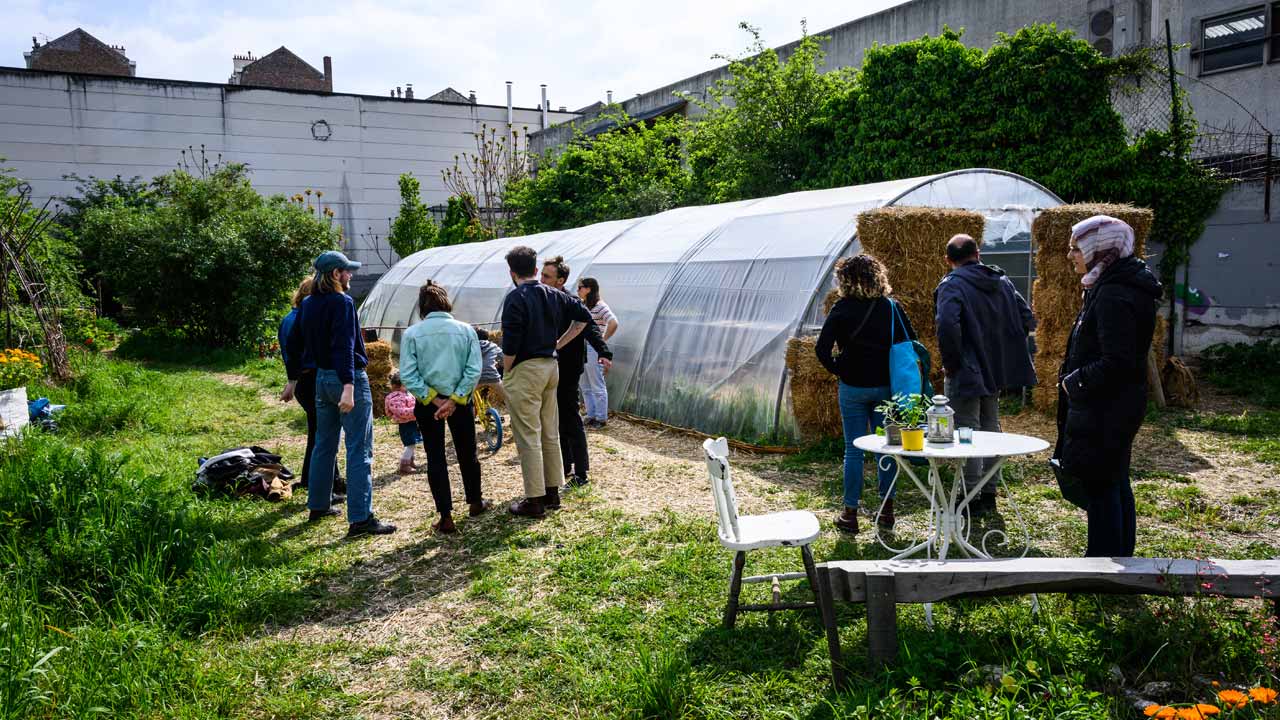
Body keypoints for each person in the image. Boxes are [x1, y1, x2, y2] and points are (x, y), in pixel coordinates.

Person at [1057, 216, 1160, 557]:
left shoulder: (1115, 292)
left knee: (1101, 484)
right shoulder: (1109, 283)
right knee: (1113, 480)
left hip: (1106, 407)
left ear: (1098, 249)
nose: (1070, 255)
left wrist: (1074, 382)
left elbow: (1118, 361)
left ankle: (1101, 569)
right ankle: (1120, 560)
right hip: (1113, 404)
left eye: (1076, 248)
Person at [285, 250, 395, 537]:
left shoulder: (308, 304)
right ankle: (360, 518)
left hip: (321, 379)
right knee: (359, 449)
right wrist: (348, 387)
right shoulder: (343, 302)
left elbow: (295, 342)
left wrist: (292, 378)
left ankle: (318, 505)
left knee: (324, 443)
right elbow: (344, 346)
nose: (351, 276)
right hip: (347, 379)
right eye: (347, 271)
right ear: (335, 274)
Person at [934, 234, 1037, 516]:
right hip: (994, 368)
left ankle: (969, 496)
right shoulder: (1001, 281)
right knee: (991, 426)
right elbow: (1028, 318)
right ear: (977, 254)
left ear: (947, 260)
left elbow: (946, 325)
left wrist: (952, 363)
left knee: (966, 431)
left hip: (965, 369)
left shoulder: (951, 284)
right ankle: (989, 492)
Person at [815, 254, 912, 535]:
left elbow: (821, 349)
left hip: (853, 387)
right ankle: (887, 511)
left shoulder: (841, 308)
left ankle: (850, 513)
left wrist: (840, 369)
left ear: (845, 280)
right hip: (887, 387)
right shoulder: (892, 308)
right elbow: (909, 344)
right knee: (887, 448)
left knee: (853, 451)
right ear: (878, 277)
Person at [501, 246, 597, 518]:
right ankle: (553, 490)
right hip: (550, 366)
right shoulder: (555, 294)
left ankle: (535, 499)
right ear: (534, 269)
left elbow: (511, 342)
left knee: (528, 435)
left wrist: (507, 370)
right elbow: (584, 318)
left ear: (512, 272)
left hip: (526, 368)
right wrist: (558, 343)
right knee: (549, 431)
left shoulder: (515, 298)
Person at [399, 280, 491, 534]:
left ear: (422, 307)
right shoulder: (465, 331)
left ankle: (446, 516)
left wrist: (434, 399)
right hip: (460, 401)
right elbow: (474, 369)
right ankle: (475, 502)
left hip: (429, 404)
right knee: (467, 452)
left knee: (436, 456)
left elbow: (408, 374)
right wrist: (454, 399)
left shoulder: (412, 334)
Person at [540, 257, 613, 488]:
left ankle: (581, 471)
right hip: (548, 366)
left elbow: (589, 324)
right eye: (541, 275)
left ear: (561, 281)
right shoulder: (541, 299)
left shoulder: (569, 301)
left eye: (547, 277)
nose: (541, 280)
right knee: (556, 417)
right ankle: (565, 465)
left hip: (568, 366)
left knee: (570, 416)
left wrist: (603, 351)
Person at [278, 277, 343, 501]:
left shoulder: (289, 319)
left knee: (317, 432)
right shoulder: (303, 321)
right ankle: (326, 485)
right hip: (311, 378)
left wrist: (291, 381)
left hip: (301, 381)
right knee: (324, 434)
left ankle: (313, 479)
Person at [576, 277, 618, 428]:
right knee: (585, 384)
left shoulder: (600, 306)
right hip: (583, 347)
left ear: (588, 289)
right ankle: (591, 414)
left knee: (597, 384)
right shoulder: (583, 305)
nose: (578, 290)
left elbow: (613, 322)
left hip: (593, 348)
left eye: (580, 287)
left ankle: (601, 418)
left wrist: (602, 340)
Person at [383, 370, 421, 475]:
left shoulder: (405, 393)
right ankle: (404, 465)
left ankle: (410, 461)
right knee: (410, 444)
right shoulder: (396, 398)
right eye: (406, 384)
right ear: (399, 385)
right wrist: (417, 411)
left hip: (411, 422)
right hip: (406, 423)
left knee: (412, 443)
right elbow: (401, 412)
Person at [474, 327, 505, 405]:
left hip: (476, 378)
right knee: (508, 399)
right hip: (493, 377)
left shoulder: (471, 346)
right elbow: (503, 358)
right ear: (488, 337)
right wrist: (499, 364)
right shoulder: (493, 346)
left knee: (466, 401)